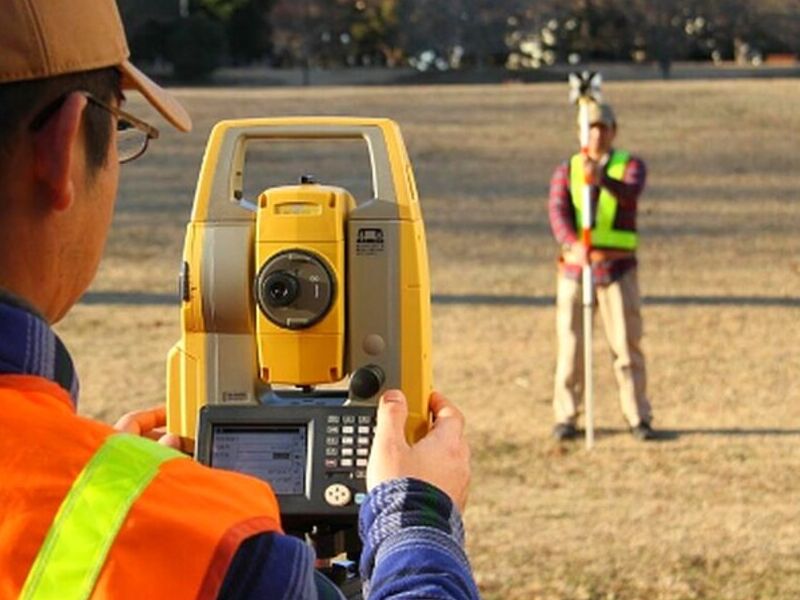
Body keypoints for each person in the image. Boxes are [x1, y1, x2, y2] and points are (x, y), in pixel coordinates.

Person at [0, 1, 478, 598]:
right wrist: (416, 523)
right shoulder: (215, 556)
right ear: (64, 147)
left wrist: (104, 485)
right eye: (122, 129)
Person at [548, 101, 655, 442]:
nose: (597, 133)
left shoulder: (629, 166)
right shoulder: (568, 169)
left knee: (627, 346)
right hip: (577, 270)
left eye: (603, 127)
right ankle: (566, 417)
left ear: (613, 131)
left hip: (617, 268)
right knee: (571, 347)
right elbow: (558, 211)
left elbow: (630, 194)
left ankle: (638, 416)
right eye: (591, 127)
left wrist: (602, 179)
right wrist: (573, 243)